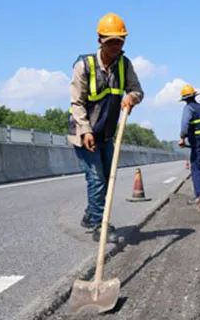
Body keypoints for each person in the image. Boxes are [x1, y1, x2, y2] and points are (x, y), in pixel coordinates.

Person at [68, 12, 144, 243]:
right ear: (100, 40)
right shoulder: (84, 66)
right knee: (96, 179)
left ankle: (91, 215)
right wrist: (86, 131)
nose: (115, 45)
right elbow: (77, 103)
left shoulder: (125, 64)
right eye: (111, 41)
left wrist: (131, 97)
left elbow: (138, 90)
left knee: (108, 178)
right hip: (84, 133)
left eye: (119, 41)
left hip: (107, 134)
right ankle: (101, 226)